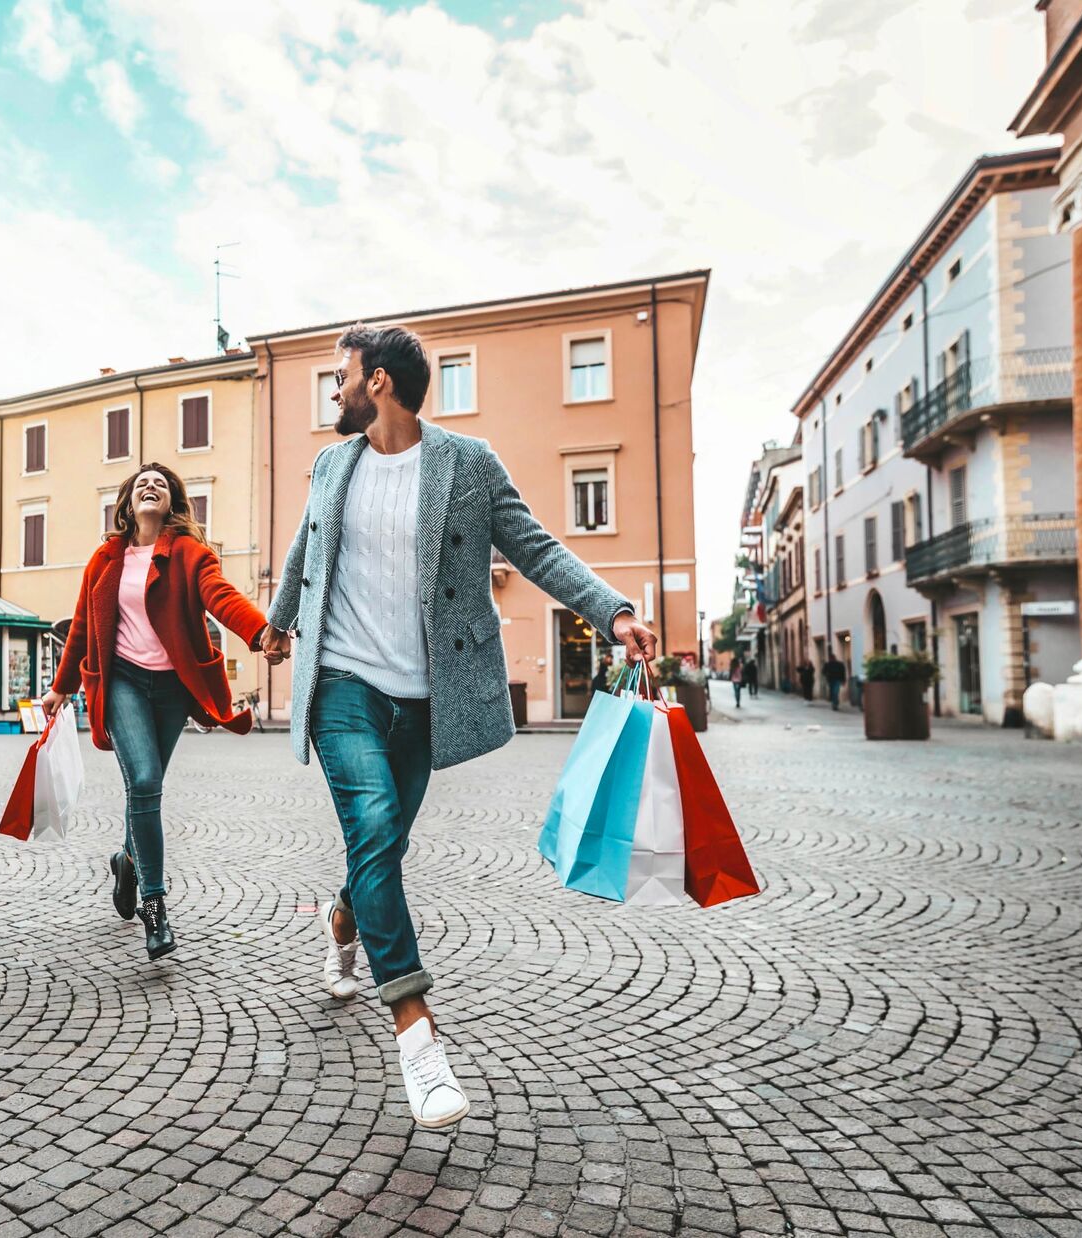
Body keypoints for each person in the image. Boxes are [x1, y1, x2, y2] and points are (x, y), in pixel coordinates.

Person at [264, 323, 661, 1131]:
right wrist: (276, 625)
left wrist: (612, 612)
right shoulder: (331, 462)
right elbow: (308, 549)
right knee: (373, 824)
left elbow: (539, 549)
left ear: (378, 382)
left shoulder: (467, 465)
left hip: (424, 697)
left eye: (341, 377)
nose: (334, 391)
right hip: (341, 681)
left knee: (383, 844)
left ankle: (346, 918)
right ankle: (418, 1032)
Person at [38, 462, 279, 962]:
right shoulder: (104, 559)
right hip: (122, 680)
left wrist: (260, 633)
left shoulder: (191, 554)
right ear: (127, 504)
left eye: (161, 484)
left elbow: (223, 598)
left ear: (172, 503)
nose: (151, 487)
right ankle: (155, 904)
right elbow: (82, 623)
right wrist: (61, 688)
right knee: (145, 781)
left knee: (144, 790)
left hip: (172, 688)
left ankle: (127, 860)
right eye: (142, 483)